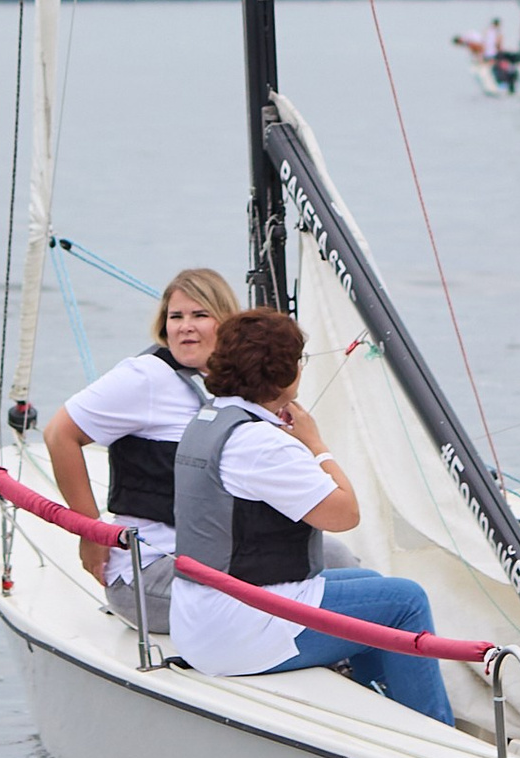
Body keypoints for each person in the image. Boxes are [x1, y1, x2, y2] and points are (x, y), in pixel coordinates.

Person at [170, 309, 454, 726]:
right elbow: (345, 514)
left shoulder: (212, 419)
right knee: (405, 601)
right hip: (242, 629)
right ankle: (436, 733)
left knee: (371, 585)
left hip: (202, 614)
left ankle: (384, 708)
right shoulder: (262, 443)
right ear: (286, 373)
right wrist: (315, 444)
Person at [42, 267, 242, 613]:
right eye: (175, 316)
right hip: (150, 568)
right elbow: (59, 434)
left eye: (200, 315)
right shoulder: (147, 377)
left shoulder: (237, 384)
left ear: (225, 322)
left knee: (335, 559)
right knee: (283, 594)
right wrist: (90, 532)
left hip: (223, 553)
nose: (185, 326)